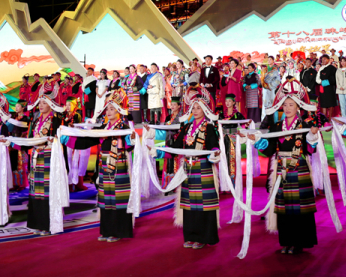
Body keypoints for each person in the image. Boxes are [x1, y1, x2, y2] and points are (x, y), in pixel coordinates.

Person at [248, 80, 321, 254]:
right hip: (281, 170)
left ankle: (299, 242)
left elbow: (311, 150)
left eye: (291, 105)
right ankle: (286, 242)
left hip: (299, 168)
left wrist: (312, 137)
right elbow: (270, 150)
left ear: (298, 107)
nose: (287, 108)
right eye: (285, 104)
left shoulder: (305, 126)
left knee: (299, 208)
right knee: (284, 207)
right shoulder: (276, 127)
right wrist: (257, 141)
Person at [148, 86, 221, 249]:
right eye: (193, 108)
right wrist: (157, 146)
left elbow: (214, 146)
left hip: (203, 169)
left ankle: (203, 237)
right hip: (188, 169)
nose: (195, 111)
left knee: (203, 205)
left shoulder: (209, 127)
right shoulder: (186, 128)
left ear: (205, 110)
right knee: (188, 204)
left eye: (198, 108)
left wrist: (215, 153)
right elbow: (174, 147)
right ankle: (191, 236)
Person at [72, 89, 135, 242]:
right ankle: (107, 231)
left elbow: (129, 146)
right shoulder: (104, 127)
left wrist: (131, 139)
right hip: (104, 167)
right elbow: (87, 140)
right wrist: (66, 137)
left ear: (119, 110)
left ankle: (118, 231)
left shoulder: (124, 127)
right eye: (107, 109)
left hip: (119, 167)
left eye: (112, 108)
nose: (109, 111)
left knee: (118, 199)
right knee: (106, 199)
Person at [25, 96, 63, 235]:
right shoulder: (36, 120)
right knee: (36, 190)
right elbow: (30, 137)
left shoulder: (55, 120)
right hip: (36, 156)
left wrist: (52, 140)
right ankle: (37, 223)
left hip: (48, 156)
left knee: (47, 190)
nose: (41, 105)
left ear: (51, 105)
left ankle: (47, 225)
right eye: (39, 103)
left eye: (44, 103)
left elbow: (59, 139)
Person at [220, 94, 247, 186]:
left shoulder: (237, 115)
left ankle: (232, 179)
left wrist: (243, 130)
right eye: (226, 101)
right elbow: (217, 126)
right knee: (223, 157)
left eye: (229, 101)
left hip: (233, 138)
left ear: (234, 102)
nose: (227, 103)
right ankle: (224, 180)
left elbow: (244, 125)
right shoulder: (221, 114)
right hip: (223, 138)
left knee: (232, 158)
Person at [8, 99, 30, 190]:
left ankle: (22, 184)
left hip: (21, 144)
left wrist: (19, 141)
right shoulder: (14, 118)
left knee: (21, 164)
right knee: (14, 164)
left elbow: (25, 132)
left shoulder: (26, 119)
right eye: (16, 106)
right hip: (13, 142)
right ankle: (15, 183)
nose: (16, 108)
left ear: (23, 107)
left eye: (18, 106)